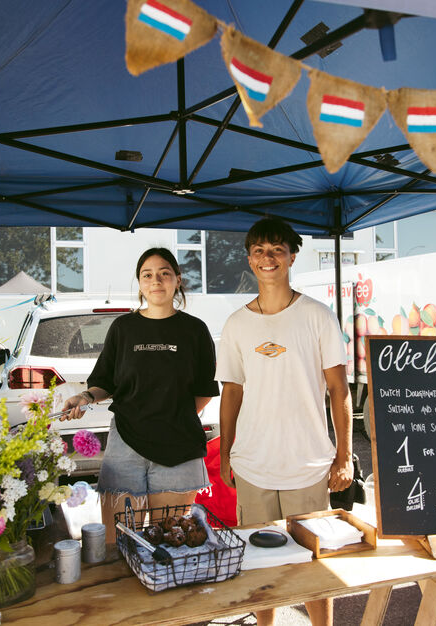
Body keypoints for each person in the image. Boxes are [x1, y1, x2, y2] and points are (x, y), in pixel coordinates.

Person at [216, 217, 353, 626]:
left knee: (313, 564)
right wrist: (225, 454)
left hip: (308, 463)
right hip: (253, 465)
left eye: (277, 249)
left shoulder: (317, 316)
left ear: (292, 256)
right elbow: (231, 393)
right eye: (259, 250)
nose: (268, 257)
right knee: (260, 562)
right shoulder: (236, 324)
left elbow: (338, 391)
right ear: (249, 260)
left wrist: (344, 457)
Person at [63, 247, 219, 544]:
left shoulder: (195, 331)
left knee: (169, 542)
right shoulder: (124, 328)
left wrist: (170, 417)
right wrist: (84, 397)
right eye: (147, 275)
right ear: (140, 282)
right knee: (117, 542)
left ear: (178, 280)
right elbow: (104, 382)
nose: (156, 280)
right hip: (125, 445)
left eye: (164, 274)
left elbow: (203, 392)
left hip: (178, 448)